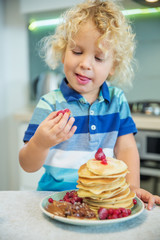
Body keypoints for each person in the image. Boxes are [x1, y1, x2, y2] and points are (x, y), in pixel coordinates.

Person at [19, 0, 160, 209]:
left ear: (114, 66)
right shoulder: (50, 104)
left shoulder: (117, 100)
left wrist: (131, 189)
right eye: (77, 52)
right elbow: (27, 165)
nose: (85, 64)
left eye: (99, 57)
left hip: (104, 200)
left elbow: (127, 147)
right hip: (56, 200)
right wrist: (40, 143)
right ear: (63, 51)